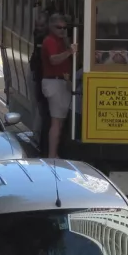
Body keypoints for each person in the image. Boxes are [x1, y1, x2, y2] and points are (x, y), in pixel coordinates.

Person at [41, 13, 78, 158]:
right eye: (59, 27)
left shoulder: (63, 40)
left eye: (64, 28)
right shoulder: (49, 41)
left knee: (60, 120)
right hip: (54, 82)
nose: (62, 30)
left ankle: (54, 152)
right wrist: (70, 51)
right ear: (51, 27)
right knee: (56, 120)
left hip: (62, 81)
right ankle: (52, 154)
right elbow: (53, 60)